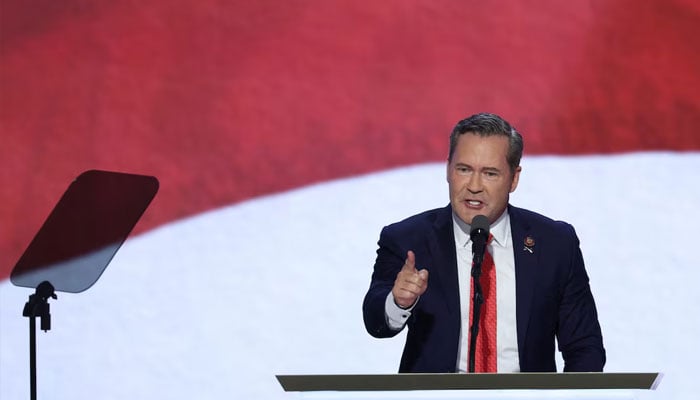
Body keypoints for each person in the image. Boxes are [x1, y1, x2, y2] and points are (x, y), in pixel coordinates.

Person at [362, 112, 605, 373]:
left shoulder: (555, 244)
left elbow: (584, 346)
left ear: (514, 178)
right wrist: (398, 302)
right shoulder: (407, 239)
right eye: (464, 169)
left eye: (490, 173)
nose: (474, 186)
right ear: (448, 169)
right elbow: (376, 322)